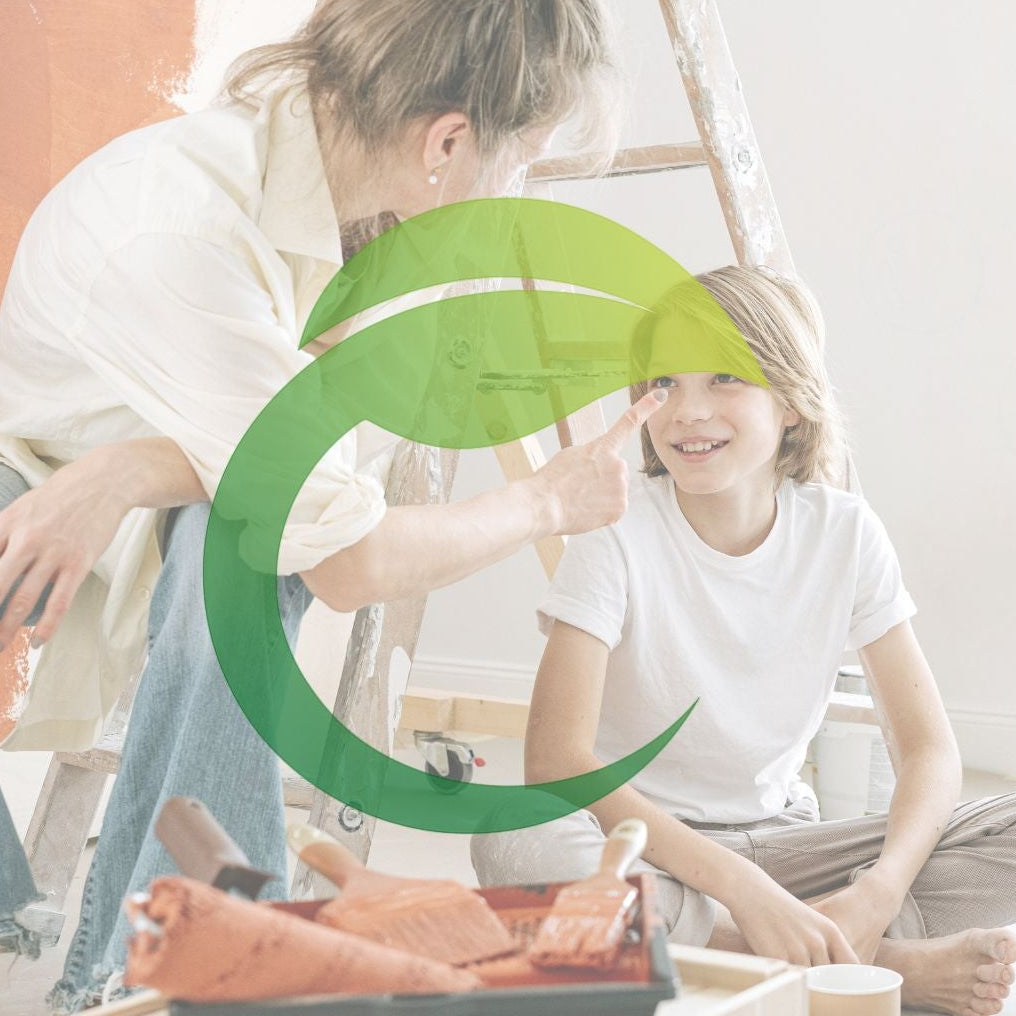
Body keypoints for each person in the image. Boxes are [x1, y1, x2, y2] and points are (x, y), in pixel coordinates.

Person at [0, 0, 665, 1008]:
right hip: (31, 496)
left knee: (248, 538)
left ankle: (162, 959)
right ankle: (183, 969)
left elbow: (289, 452)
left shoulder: (351, 205)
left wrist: (134, 467)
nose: (515, 195)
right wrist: (545, 500)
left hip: (120, 479)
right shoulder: (182, 230)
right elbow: (347, 555)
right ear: (446, 140)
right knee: (271, 540)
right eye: (520, 161)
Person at [471, 265, 1016, 1016]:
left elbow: (928, 749)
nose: (687, 410)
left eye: (725, 377)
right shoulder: (614, 533)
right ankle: (868, 964)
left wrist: (876, 889)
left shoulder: (844, 532)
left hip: (789, 849)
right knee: (515, 838)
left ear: (791, 402)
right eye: (663, 382)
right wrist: (742, 890)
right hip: (650, 848)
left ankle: (820, 936)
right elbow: (557, 762)